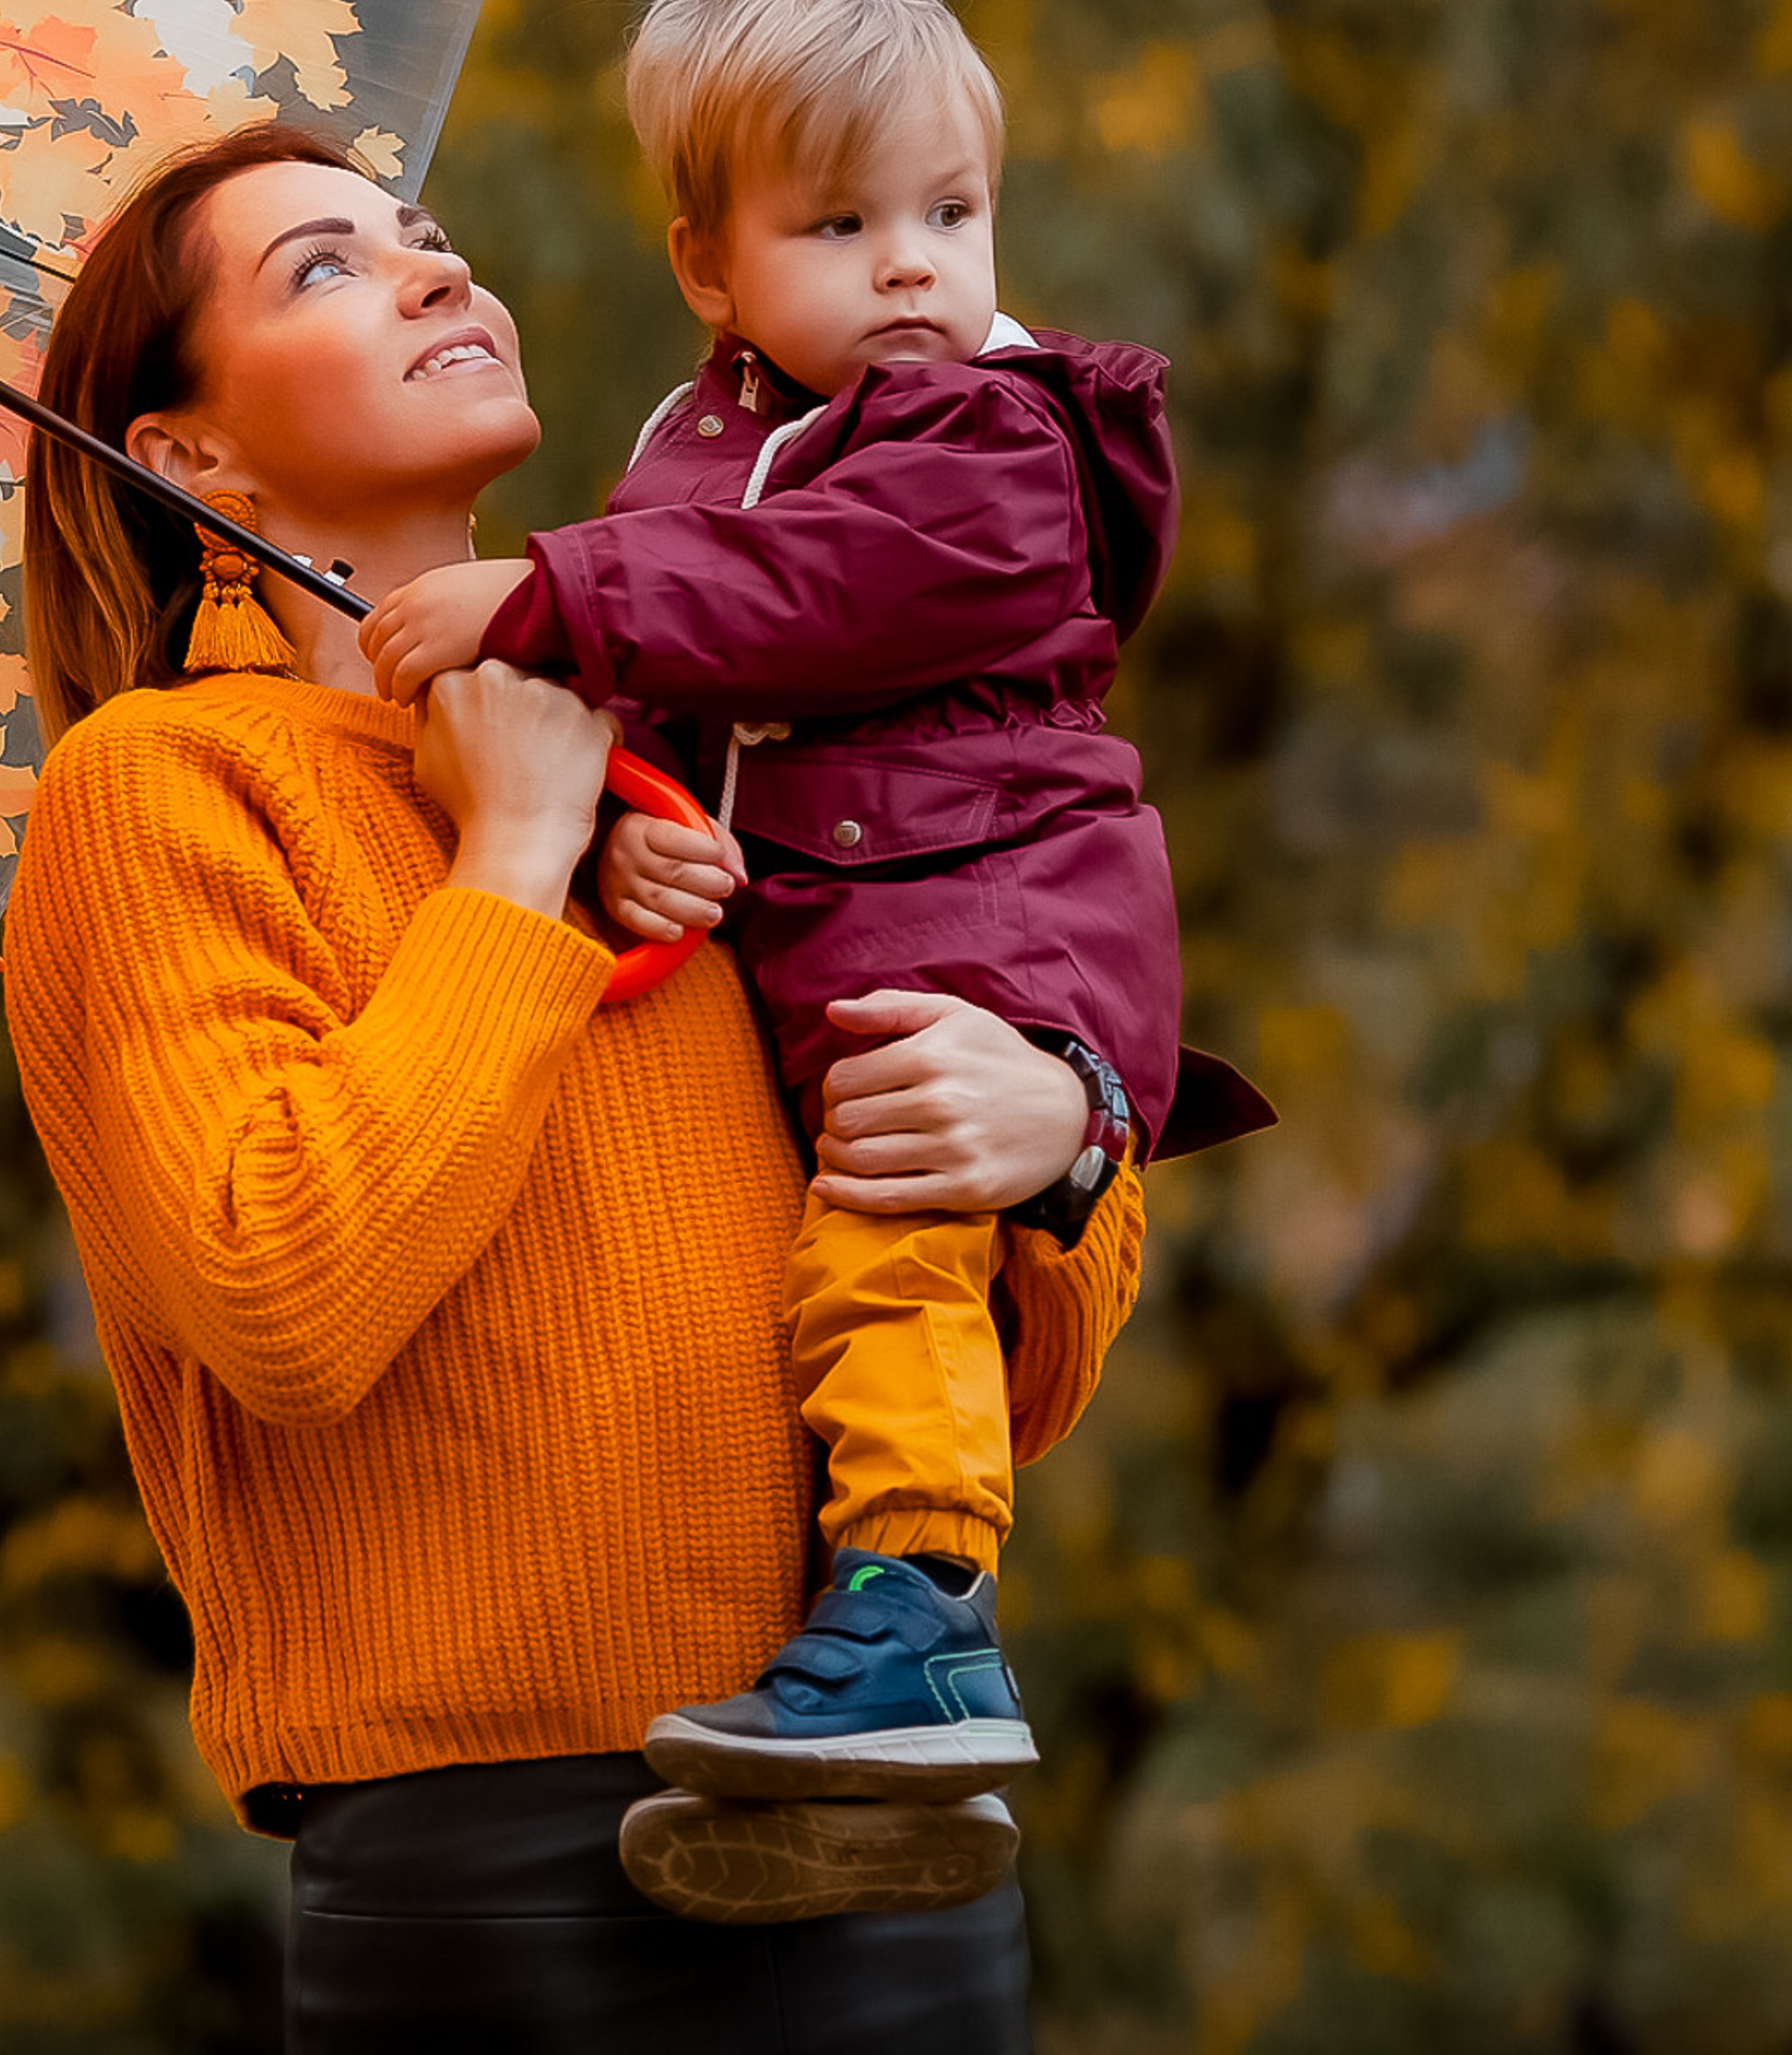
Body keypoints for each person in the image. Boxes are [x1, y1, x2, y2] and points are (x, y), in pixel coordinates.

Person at [3, 121, 1152, 2054]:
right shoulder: (165, 792)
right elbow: (291, 1298)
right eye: (326, 269)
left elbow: (1001, 1388)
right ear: (182, 451)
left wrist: (1061, 1141)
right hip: (498, 1876)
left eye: (429, 235)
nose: (437, 272)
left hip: (884, 1825)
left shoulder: (715, 768)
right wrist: (514, 858)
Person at [359, 0, 1274, 1815]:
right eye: (845, 223)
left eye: (954, 211)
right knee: (847, 1266)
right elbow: (699, 682)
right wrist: (646, 822)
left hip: (989, 921)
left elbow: (812, 600)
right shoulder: (710, 442)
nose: (919, 264)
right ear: (714, 268)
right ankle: (854, 1691)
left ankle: (923, 1606)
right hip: (860, 914)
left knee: (885, 1251)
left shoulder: (989, 440)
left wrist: (547, 592)